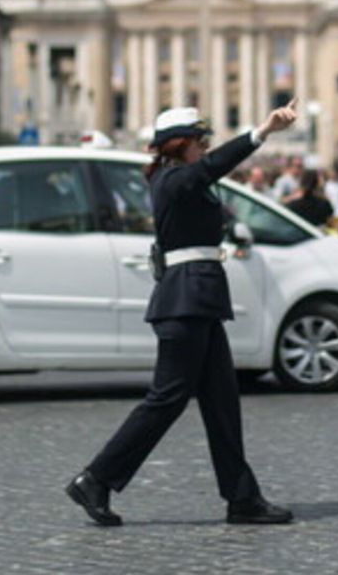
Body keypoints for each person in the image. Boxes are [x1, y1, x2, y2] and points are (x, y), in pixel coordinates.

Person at [67, 103, 298, 527]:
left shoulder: (182, 179)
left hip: (200, 299)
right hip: (185, 300)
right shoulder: (174, 178)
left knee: (222, 402)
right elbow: (212, 167)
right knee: (166, 400)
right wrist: (262, 129)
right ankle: (95, 479)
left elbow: (209, 175)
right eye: (199, 140)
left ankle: (241, 498)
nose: (204, 147)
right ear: (181, 145)